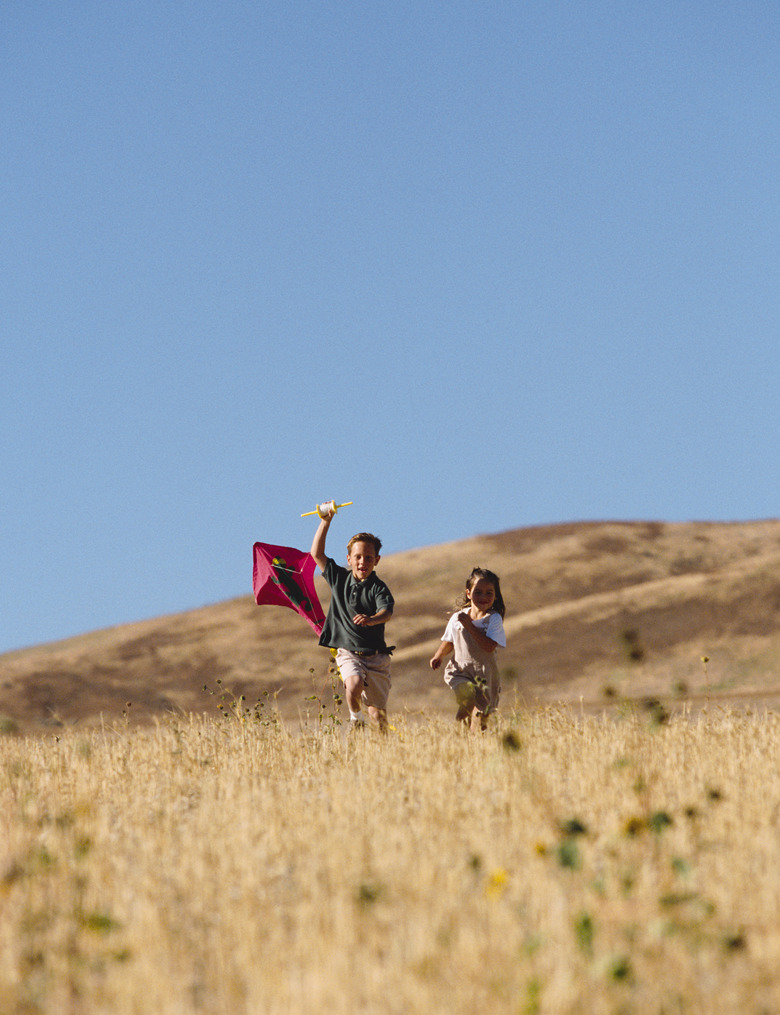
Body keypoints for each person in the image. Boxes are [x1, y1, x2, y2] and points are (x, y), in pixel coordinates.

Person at [309, 502, 395, 732]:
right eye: (357, 557)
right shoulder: (339, 578)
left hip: (376, 657)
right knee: (354, 683)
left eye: (368, 557)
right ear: (348, 559)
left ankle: (384, 752)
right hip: (349, 652)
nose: (362, 562)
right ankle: (356, 719)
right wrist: (325, 521)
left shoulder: (379, 588)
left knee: (378, 716)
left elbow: (386, 612)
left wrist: (372, 619)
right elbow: (316, 554)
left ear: (377, 559)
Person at [429, 567, 506, 731]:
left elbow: (489, 646)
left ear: (495, 596)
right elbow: (449, 640)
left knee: (483, 717)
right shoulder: (458, 617)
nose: (483, 597)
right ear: (468, 593)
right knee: (467, 698)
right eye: (478, 592)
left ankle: (474, 745)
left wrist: (470, 626)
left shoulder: (493, 619)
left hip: (485, 675)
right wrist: (438, 656)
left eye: (489, 593)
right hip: (461, 671)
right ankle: (459, 738)